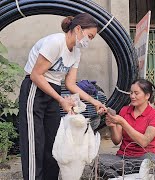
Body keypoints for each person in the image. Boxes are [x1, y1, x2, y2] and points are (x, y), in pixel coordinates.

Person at [18, 13, 107, 180]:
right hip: (35, 90)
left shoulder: (76, 53)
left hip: (54, 91)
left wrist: (93, 101)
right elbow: (36, 75)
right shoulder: (55, 42)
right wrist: (61, 100)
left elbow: (71, 84)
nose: (89, 41)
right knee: (34, 144)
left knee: (54, 143)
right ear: (78, 29)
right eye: (89, 36)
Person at [100, 79, 155, 178]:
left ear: (147, 96)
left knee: (153, 162)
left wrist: (122, 122)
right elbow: (116, 141)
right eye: (131, 93)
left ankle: (123, 176)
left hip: (144, 158)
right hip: (123, 159)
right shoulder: (124, 110)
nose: (132, 96)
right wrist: (112, 126)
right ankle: (124, 177)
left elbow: (144, 142)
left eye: (136, 93)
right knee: (98, 161)